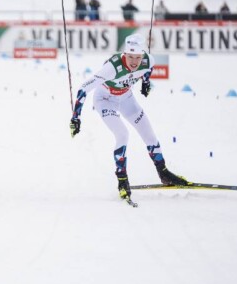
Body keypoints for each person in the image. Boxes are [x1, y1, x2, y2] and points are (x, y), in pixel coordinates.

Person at [69, 33, 189, 202]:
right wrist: (76, 118)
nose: (134, 61)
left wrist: (146, 82)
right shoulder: (112, 67)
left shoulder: (148, 60)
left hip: (126, 98)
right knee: (123, 134)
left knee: (149, 133)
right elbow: (83, 89)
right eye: (130, 57)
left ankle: (163, 172)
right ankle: (122, 180)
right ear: (125, 54)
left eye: (138, 57)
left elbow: (148, 69)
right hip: (105, 100)